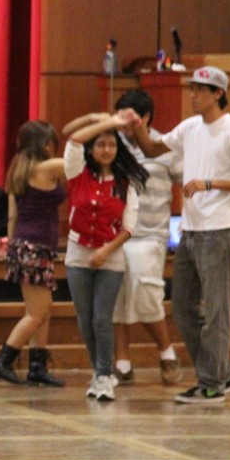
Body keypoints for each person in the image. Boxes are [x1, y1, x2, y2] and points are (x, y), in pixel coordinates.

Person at [129, 66, 230, 404]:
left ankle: (212, 384)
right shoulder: (189, 128)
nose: (193, 95)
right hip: (190, 230)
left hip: (220, 231)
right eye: (192, 89)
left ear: (218, 94)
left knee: (217, 309)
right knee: (183, 308)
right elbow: (152, 149)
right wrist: (137, 126)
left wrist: (209, 183)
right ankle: (222, 372)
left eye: (201, 90)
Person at [60, 111, 148, 400]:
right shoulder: (77, 173)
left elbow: (128, 227)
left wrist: (106, 250)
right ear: (91, 149)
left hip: (110, 258)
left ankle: (104, 375)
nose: (107, 150)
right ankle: (99, 371)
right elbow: (74, 139)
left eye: (112, 144)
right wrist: (110, 122)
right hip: (77, 255)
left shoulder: (126, 183)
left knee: (102, 318)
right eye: (101, 144)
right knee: (85, 320)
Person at [109, 90, 184, 386]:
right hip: (115, 234)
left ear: (146, 117)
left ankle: (167, 353)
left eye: (129, 118)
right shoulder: (111, 145)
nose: (124, 125)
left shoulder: (165, 146)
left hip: (150, 234)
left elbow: (189, 181)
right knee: (117, 294)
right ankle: (122, 363)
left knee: (145, 292)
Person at [0, 121, 68, 386]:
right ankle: (3, 361)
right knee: (36, 313)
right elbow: (78, 162)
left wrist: (11, 245)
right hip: (35, 247)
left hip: (25, 245)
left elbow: (13, 215)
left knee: (43, 310)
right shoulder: (45, 168)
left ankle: (37, 366)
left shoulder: (19, 170)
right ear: (46, 145)